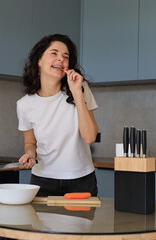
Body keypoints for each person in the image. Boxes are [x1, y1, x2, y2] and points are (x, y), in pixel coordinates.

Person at [16, 34, 99, 196]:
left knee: (82, 223)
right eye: (54, 53)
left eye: (65, 56)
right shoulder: (24, 104)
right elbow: (30, 142)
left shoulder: (81, 89)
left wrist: (77, 94)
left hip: (81, 180)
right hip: (43, 180)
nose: (60, 59)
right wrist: (30, 153)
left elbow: (89, 137)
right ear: (39, 61)